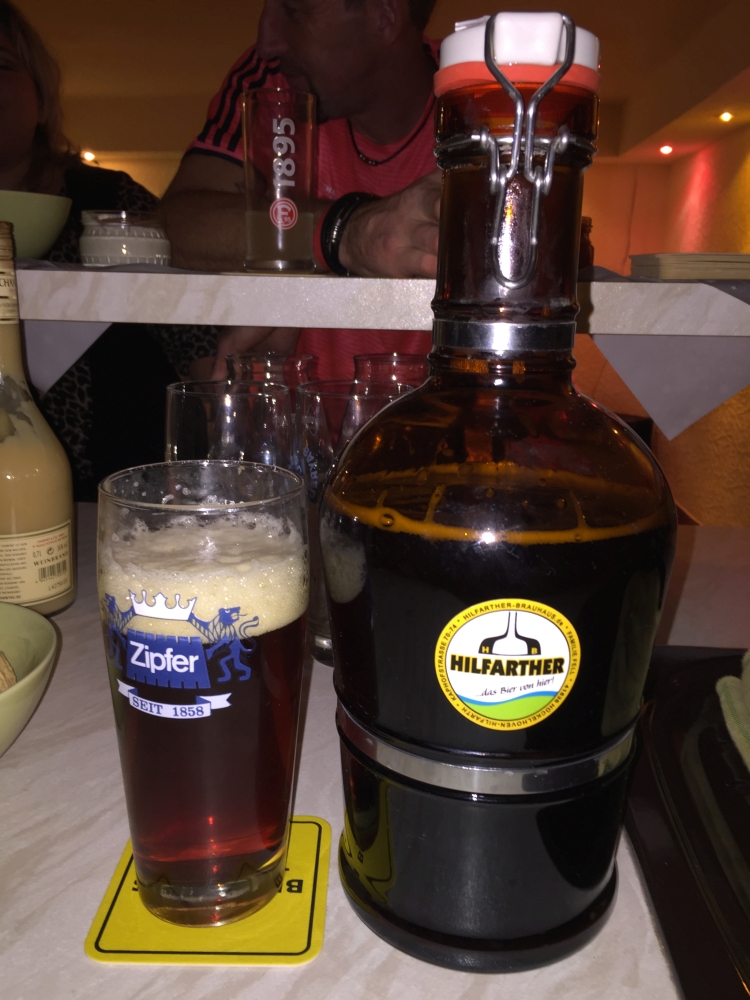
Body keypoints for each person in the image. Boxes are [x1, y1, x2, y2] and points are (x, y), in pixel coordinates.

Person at [0, 0, 217, 498]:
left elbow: (202, 346)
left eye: (2, 65)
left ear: (40, 98)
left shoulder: (113, 202)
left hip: (126, 499)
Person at [161, 0, 441, 379]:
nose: (267, 42)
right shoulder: (273, 81)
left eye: (293, 10)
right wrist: (345, 233)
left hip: (446, 414)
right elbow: (177, 225)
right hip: (298, 413)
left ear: (385, 16)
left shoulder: (487, 96)